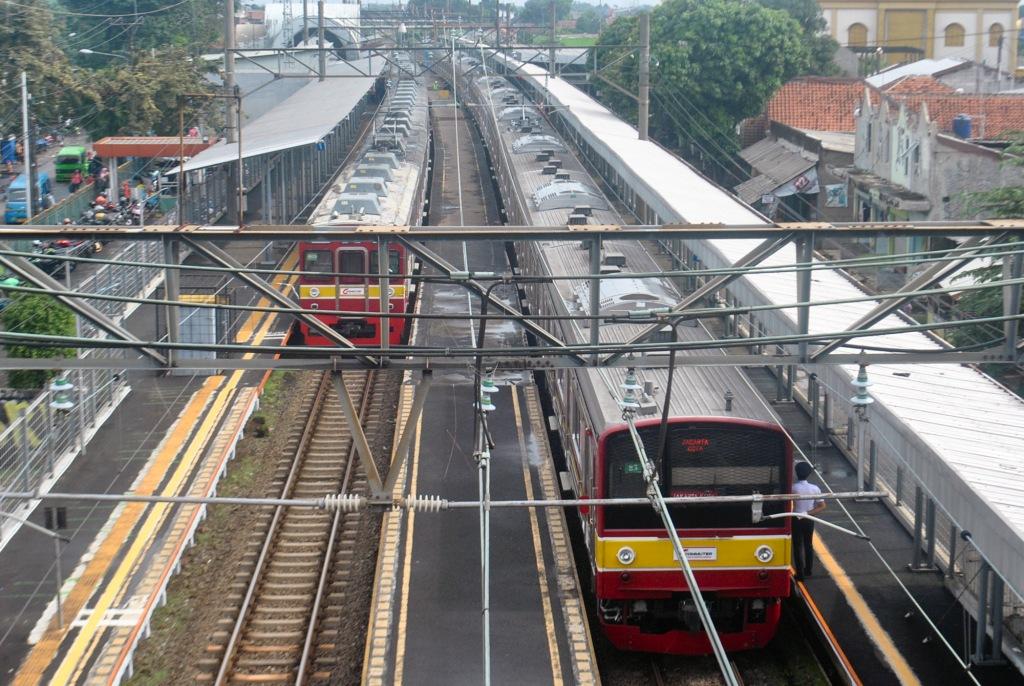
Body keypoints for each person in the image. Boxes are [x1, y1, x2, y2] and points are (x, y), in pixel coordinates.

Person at [792, 461, 826, 581]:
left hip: (796, 518)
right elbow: (822, 505)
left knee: (797, 546)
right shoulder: (815, 488)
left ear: (796, 473)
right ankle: (808, 570)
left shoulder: (793, 488)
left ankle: (800, 574)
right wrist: (807, 513)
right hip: (809, 518)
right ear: (809, 473)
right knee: (808, 544)